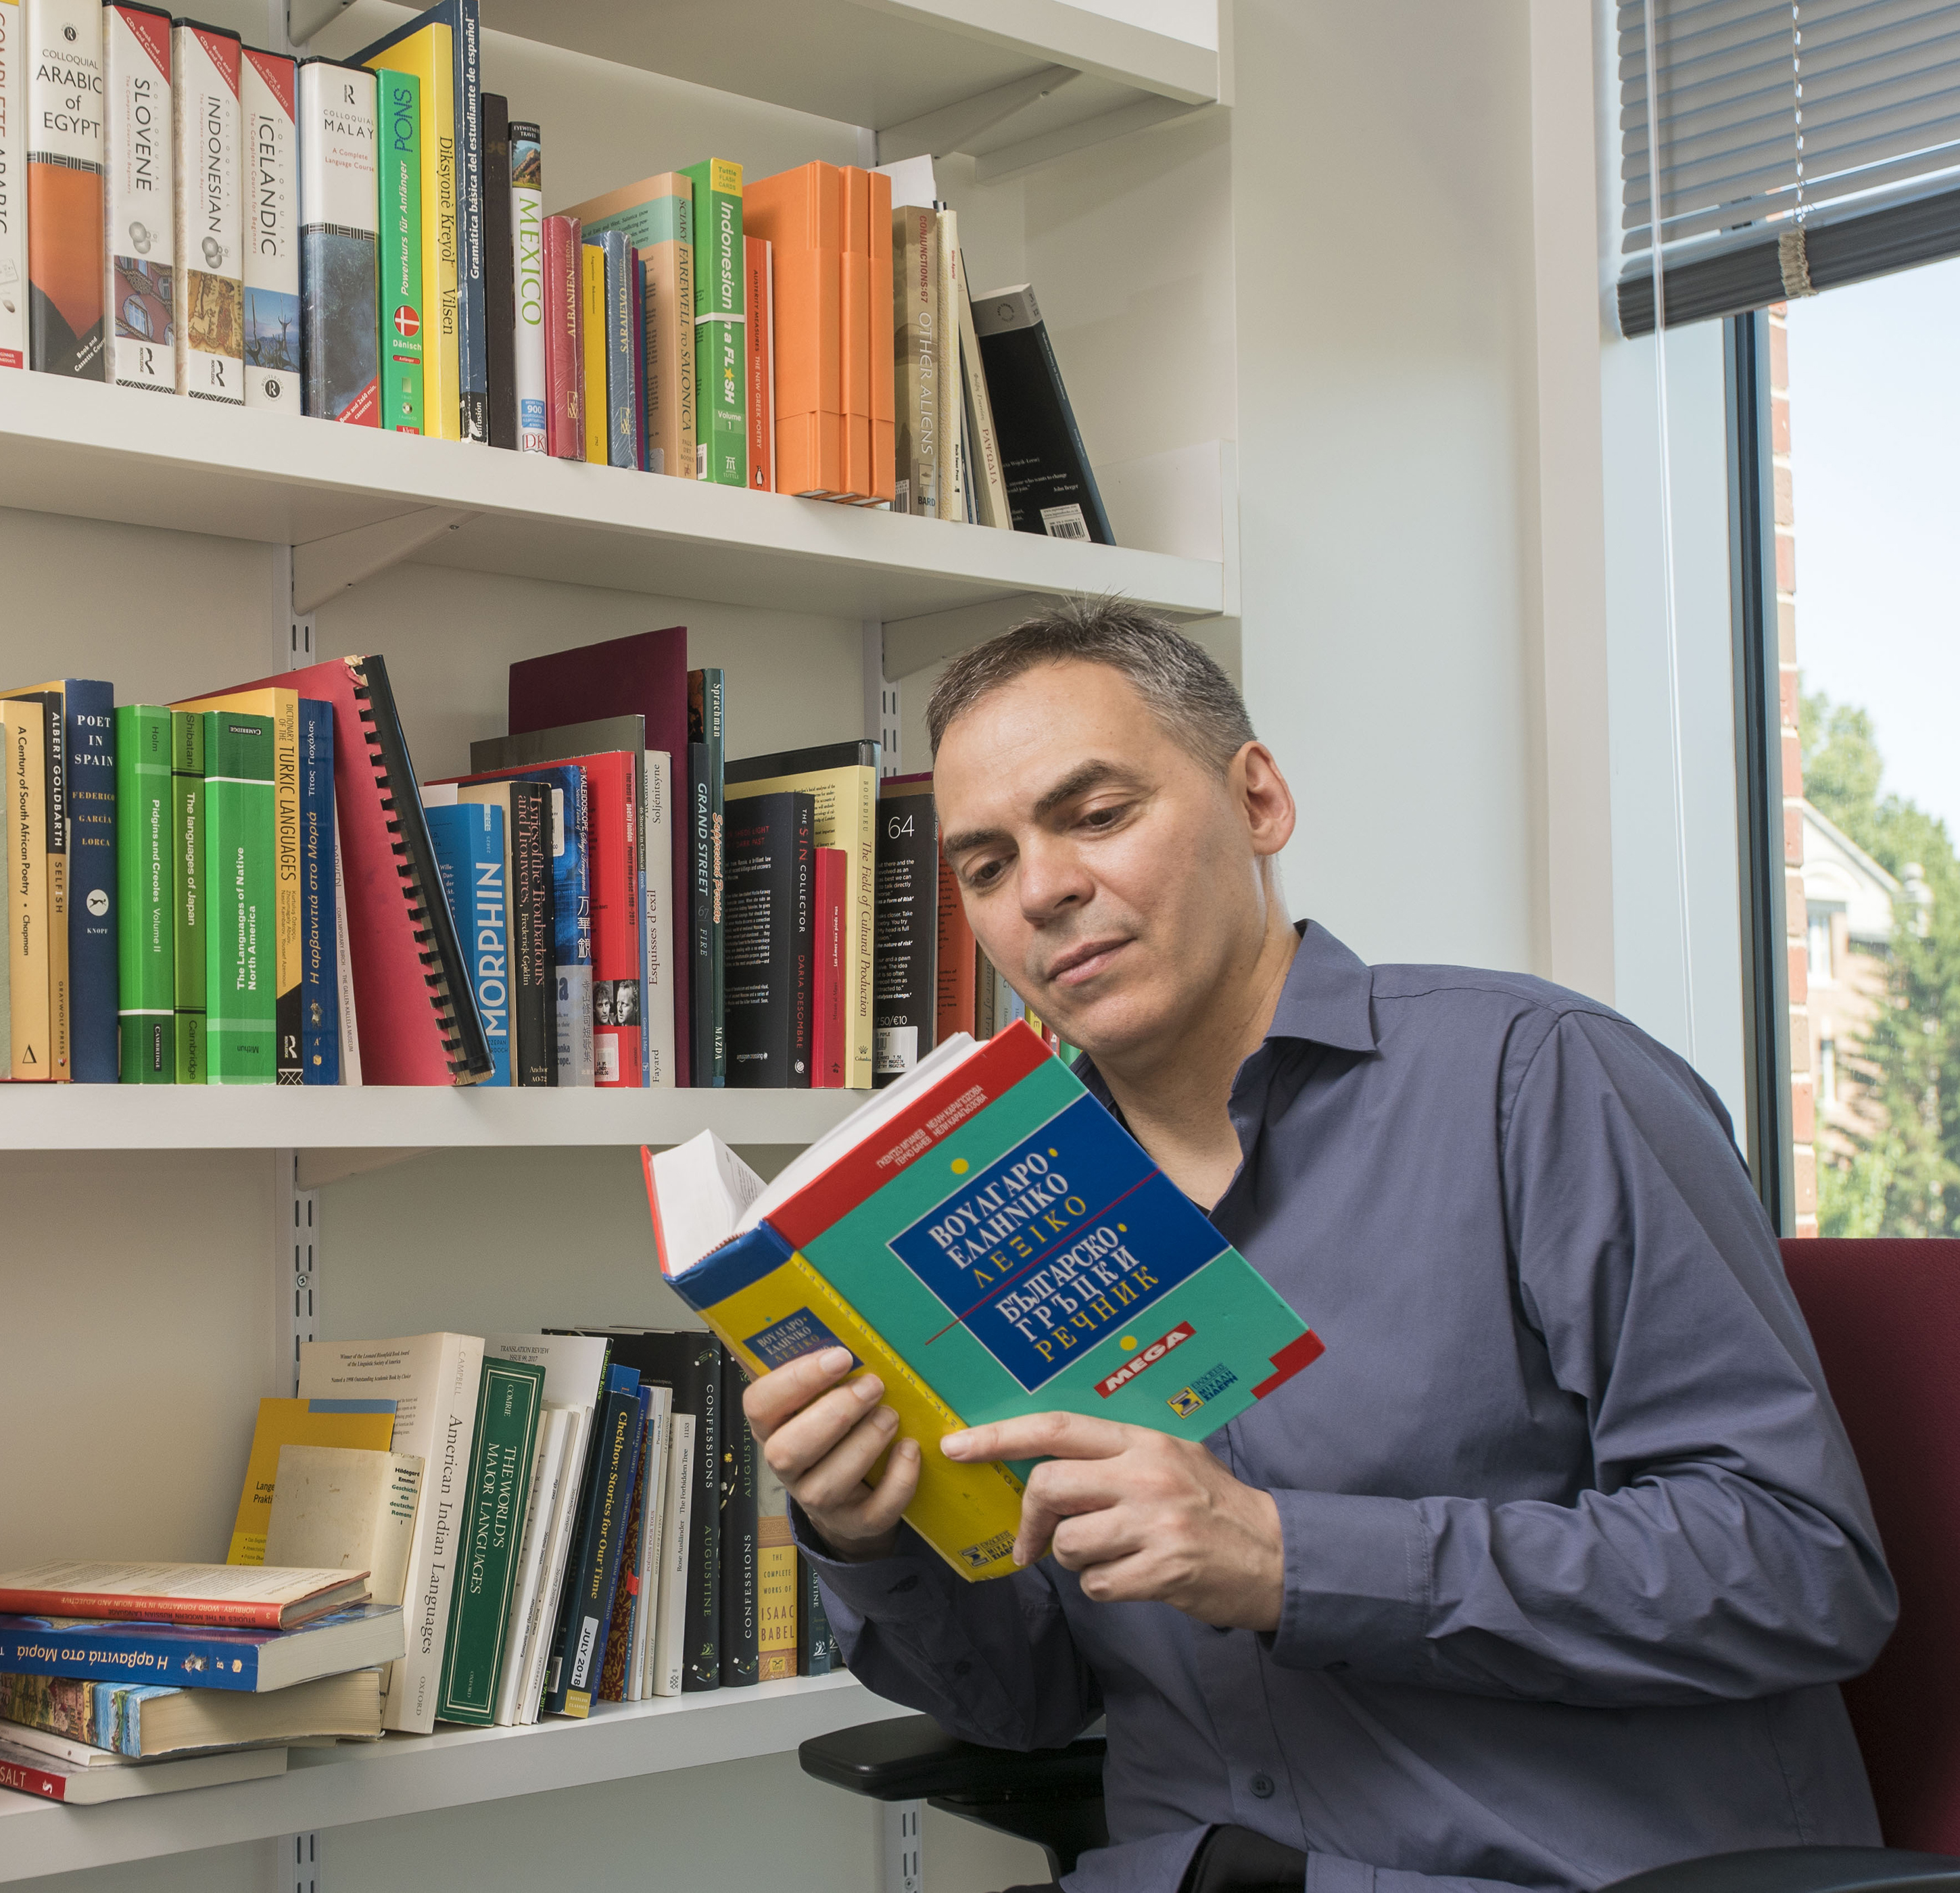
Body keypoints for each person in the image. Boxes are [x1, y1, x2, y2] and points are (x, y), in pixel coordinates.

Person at [751, 599, 1895, 1893]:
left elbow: (1802, 1569)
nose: (1047, 891)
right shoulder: (1001, 1205)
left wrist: (1287, 1558)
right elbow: (1027, 1705)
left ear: (1258, 802)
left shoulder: (1540, 1082)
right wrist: (864, 1538)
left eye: (1098, 815)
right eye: (986, 865)